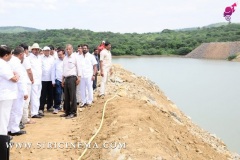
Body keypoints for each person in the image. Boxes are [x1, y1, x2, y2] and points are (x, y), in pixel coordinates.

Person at [8, 46, 28, 136]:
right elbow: (21, 80)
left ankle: (9, 128)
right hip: (17, 90)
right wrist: (25, 92)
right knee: (17, 110)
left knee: (11, 110)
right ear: (21, 54)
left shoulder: (10, 61)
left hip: (11, 90)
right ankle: (14, 129)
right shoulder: (17, 64)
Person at [0, 46, 19, 136]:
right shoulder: (2, 64)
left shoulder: (4, 63)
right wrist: (17, 75)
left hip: (5, 94)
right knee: (4, 117)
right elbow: (14, 78)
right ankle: (3, 137)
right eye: (11, 54)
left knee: (3, 116)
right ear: (6, 55)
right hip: (5, 94)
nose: (12, 56)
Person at [61, 44, 81, 119]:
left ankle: (73, 112)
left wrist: (79, 78)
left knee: (72, 96)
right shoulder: (65, 58)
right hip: (66, 78)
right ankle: (67, 112)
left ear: (72, 49)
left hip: (72, 78)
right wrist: (62, 79)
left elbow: (79, 67)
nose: (68, 50)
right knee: (66, 96)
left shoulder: (75, 57)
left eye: (69, 49)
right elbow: (63, 69)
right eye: (67, 49)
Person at [19, 44, 35, 125]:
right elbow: (29, 71)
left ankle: (21, 119)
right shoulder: (25, 58)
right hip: (26, 82)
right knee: (26, 101)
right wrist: (32, 79)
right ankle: (25, 119)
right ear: (25, 50)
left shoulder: (16, 58)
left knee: (20, 101)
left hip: (19, 82)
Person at [39, 46, 55, 116]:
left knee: (50, 94)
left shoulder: (52, 58)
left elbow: (53, 69)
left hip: (50, 79)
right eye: (45, 51)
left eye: (48, 50)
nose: (47, 52)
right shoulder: (40, 58)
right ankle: (41, 108)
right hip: (43, 79)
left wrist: (53, 79)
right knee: (43, 94)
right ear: (43, 51)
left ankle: (49, 106)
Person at [29, 43, 43, 118]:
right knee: (34, 96)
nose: (36, 51)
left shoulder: (39, 58)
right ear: (32, 50)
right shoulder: (29, 58)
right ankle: (33, 113)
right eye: (35, 49)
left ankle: (36, 111)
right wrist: (31, 79)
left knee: (38, 96)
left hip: (39, 79)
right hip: (33, 80)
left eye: (37, 49)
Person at [51, 47, 65, 114]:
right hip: (58, 80)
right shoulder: (55, 61)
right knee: (58, 93)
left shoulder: (67, 60)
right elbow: (53, 71)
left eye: (60, 54)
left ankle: (65, 107)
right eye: (58, 54)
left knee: (66, 94)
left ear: (63, 54)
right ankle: (56, 107)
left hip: (66, 80)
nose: (59, 56)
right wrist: (53, 81)